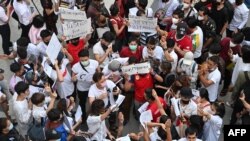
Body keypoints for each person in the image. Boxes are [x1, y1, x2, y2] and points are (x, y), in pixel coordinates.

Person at [72, 49, 99, 121]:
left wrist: (96, 81)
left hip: (93, 87)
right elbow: (73, 78)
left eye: (85, 60)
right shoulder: (75, 67)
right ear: (79, 59)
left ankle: (94, 115)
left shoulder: (95, 63)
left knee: (94, 102)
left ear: (89, 57)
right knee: (82, 103)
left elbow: (99, 73)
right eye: (82, 60)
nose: (84, 62)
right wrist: (74, 78)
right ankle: (83, 117)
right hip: (82, 89)